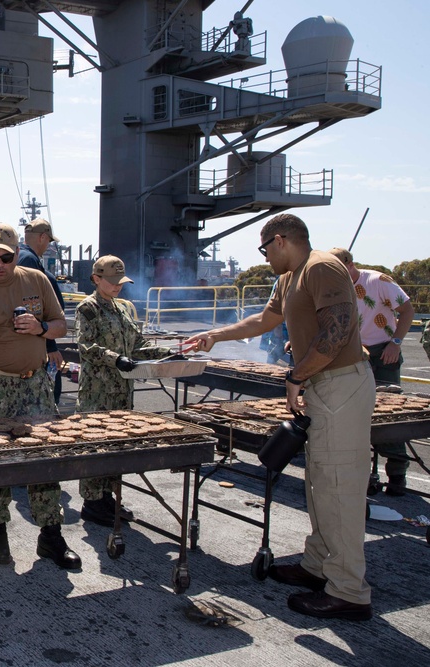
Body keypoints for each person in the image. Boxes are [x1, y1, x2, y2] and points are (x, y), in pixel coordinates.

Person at [184, 213, 375, 621]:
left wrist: (297, 375)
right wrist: (216, 336)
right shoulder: (289, 278)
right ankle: (318, 566)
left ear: (281, 240)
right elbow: (264, 321)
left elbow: (338, 330)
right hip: (322, 386)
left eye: (264, 248)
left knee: (340, 486)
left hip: (341, 383)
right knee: (320, 483)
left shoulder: (321, 267)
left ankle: (349, 592)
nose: (265, 256)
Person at [0, 223, 81, 570]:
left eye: (6, 257)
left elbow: (61, 325)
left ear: (16, 254)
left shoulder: (36, 280)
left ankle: (51, 535)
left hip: (36, 385)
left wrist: (41, 328)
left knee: (44, 458)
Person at [75, 255, 171, 527]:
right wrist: (114, 358)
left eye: (121, 282)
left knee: (116, 443)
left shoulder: (125, 309)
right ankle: (92, 502)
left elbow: (137, 345)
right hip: (97, 391)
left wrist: (168, 354)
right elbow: (85, 346)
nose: (118, 286)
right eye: (112, 281)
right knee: (95, 444)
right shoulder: (88, 308)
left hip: (121, 391)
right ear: (96, 279)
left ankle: (108, 496)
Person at [329, 247, 415, 496]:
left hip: (384, 352)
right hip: (355, 352)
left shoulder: (378, 281)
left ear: (350, 264)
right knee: (358, 414)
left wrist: (395, 343)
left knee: (390, 413)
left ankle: (397, 474)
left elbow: (407, 311)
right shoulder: (336, 287)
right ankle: (366, 473)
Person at [17, 218, 65, 404]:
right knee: (49, 392)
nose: (48, 245)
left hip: (28, 336)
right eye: (48, 241)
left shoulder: (21, 255)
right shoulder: (29, 260)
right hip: (34, 337)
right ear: (43, 237)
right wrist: (50, 346)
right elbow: (34, 307)